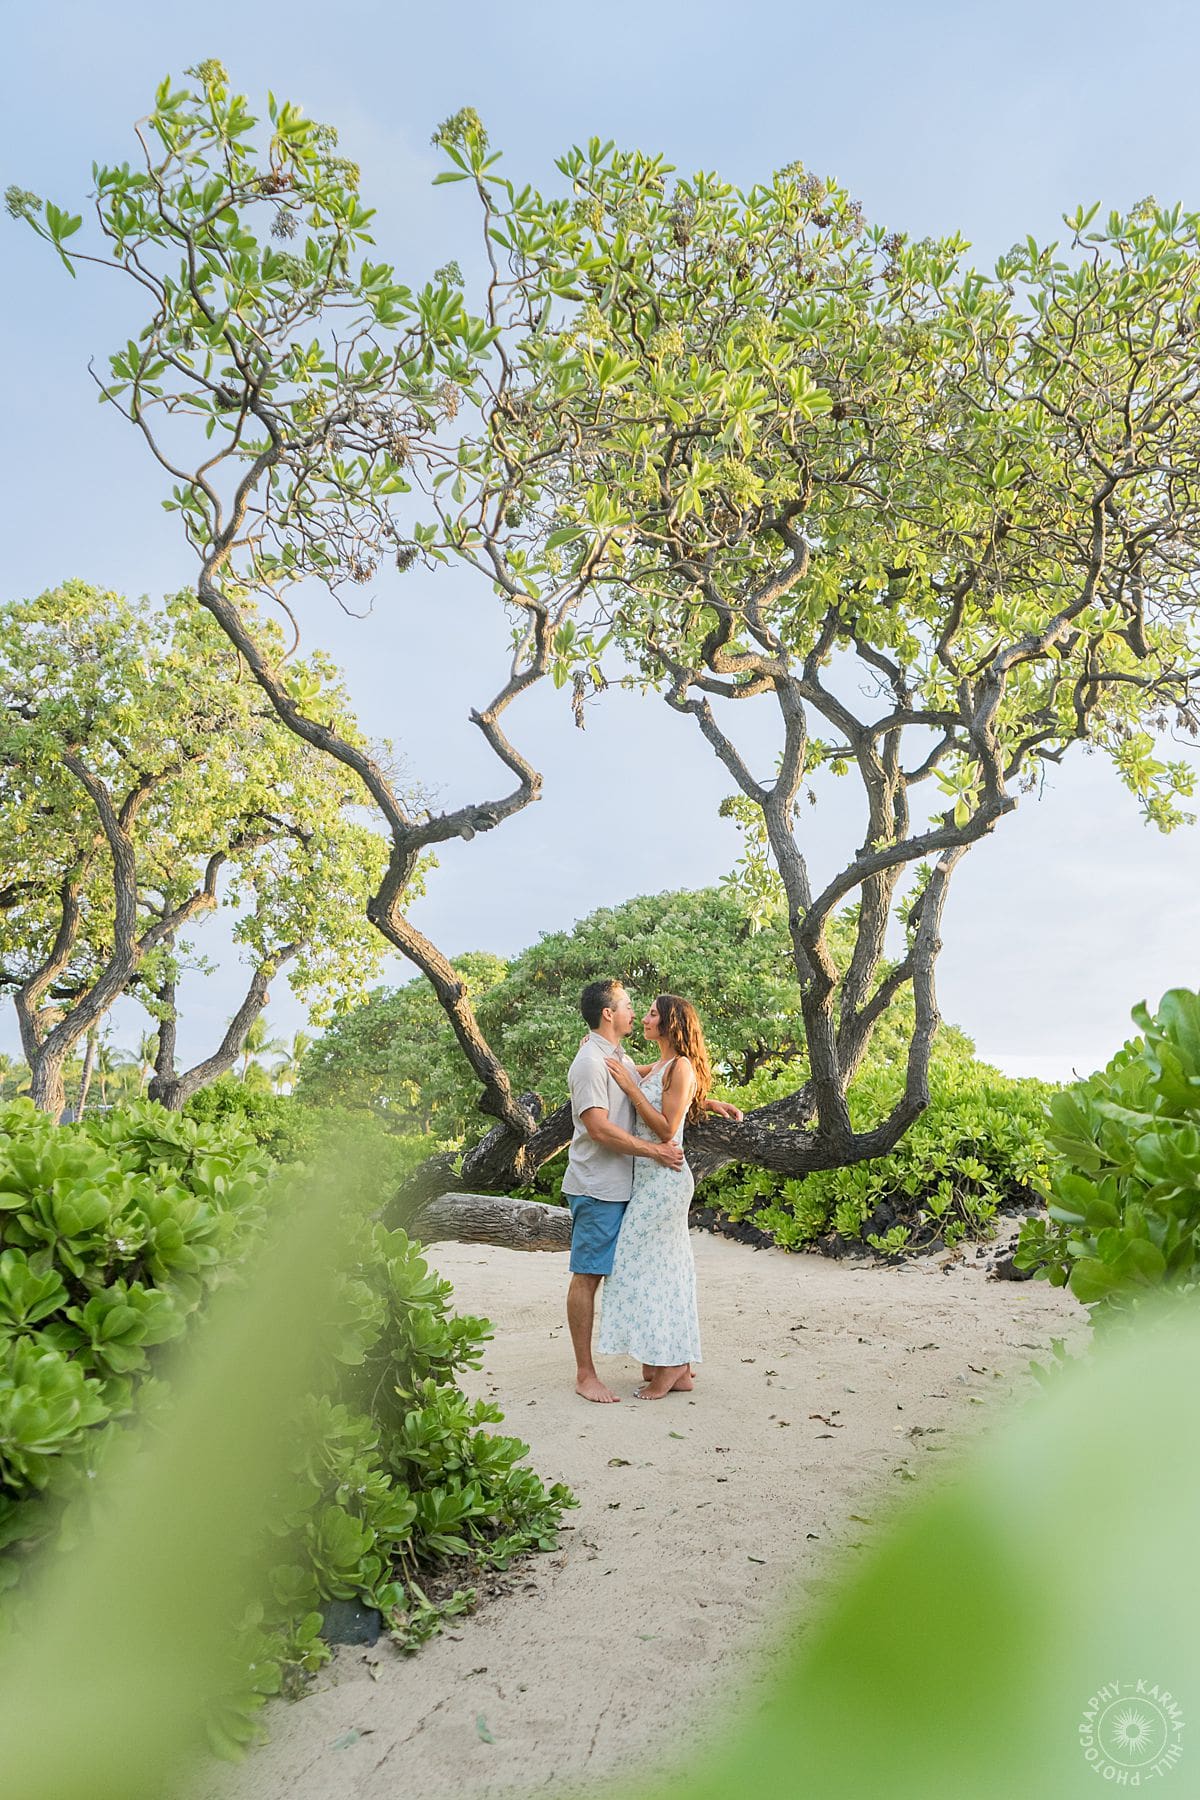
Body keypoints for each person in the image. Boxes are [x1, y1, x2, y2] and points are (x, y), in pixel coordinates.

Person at [564, 979, 741, 1404]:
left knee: (654, 1269)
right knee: (592, 1274)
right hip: (600, 1184)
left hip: (642, 1182)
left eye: (649, 1012)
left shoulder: (619, 1057)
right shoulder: (591, 1062)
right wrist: (656, 1149)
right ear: (608, 1014)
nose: (637, 1014)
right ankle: (589, 1373)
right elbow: (599, 1127)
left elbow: (662, 1090)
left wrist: (703, 1102)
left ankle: (670, 1361)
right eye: (630, 1006)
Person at [597, 994, 714, 1399]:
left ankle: (671, 1366)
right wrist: (595, 1044)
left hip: (666, 1179)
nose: (644, 1019)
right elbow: (631, 1072)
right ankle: (672, 1362)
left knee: (644, 1266)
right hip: (647, 1179)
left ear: (670, 1023)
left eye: (651, 1014)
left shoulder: (680, 1066)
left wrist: (631, 1089)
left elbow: (666, 1128)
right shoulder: (663, 1065)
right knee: (660, 1270)